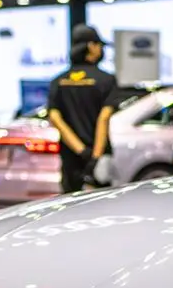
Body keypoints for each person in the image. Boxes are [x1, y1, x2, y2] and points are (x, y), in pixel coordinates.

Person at [46, 24, 119, 193]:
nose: (101, 50)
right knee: (100, 202)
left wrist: (81, 150)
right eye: (99, 45)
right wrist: (94, 157)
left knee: (70, 202)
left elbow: (55, 118)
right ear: (91, 46)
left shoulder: (58, 81)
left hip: (71, 157)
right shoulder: (106, 80)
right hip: (99, 158)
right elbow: (104, 118)